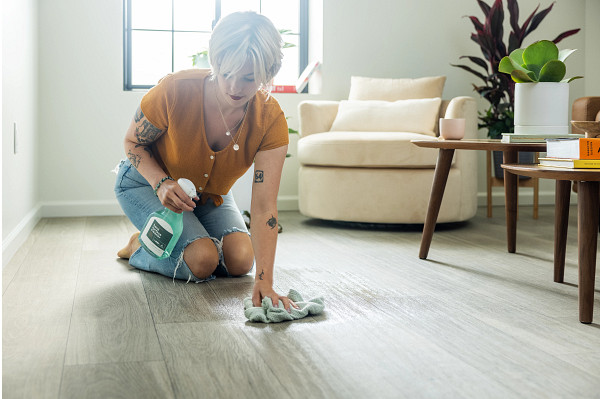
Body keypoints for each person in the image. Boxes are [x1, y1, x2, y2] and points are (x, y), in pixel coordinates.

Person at [114, 11, 298, 312]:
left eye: (249, 78)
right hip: (145, 183)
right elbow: (132, 142)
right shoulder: (175, 90)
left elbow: (265, 206)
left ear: (267, 72)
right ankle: (142, 245)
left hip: (208, 196)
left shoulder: (270, 120)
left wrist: (265, 281)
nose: (235, 87)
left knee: (241, 259)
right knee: (203, 259)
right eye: (226, 73)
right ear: (215, 62)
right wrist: (161, 182)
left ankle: (173, 238)